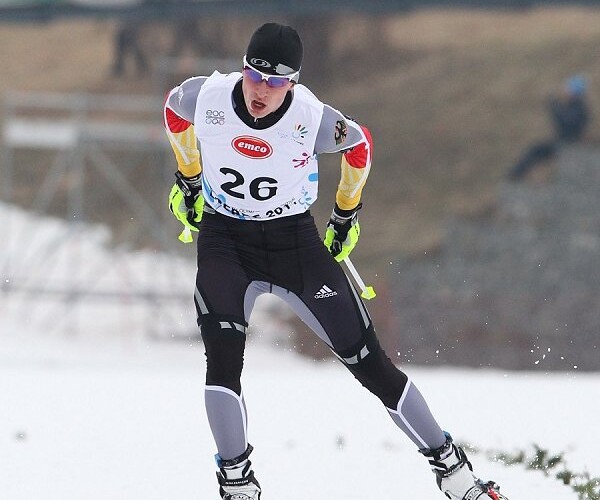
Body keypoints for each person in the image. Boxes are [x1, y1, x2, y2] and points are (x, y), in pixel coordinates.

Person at [163, 22, 509, 500]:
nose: (262, 90)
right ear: (243, 69)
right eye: (255, 75)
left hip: (294, 245)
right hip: (226, 239)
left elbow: (360, 145)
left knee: (370, 364)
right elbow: (173, 108)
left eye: (276, 81)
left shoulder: (313, 118)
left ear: (293, 83)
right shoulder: (208, 97)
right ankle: (237, 483)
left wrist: (345, 214)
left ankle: (455, 474)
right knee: (222, 361)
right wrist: (189, 178)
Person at [508, 75, 590, 181]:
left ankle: (516, 175)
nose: (565, 91)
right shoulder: (575, 106)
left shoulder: (579, 107)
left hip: (567, 145)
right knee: (536, 149)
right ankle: (517, 175)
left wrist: (554, 107)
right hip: (563, 143)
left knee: (536, 150)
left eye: (568, 89)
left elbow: (567, 123)